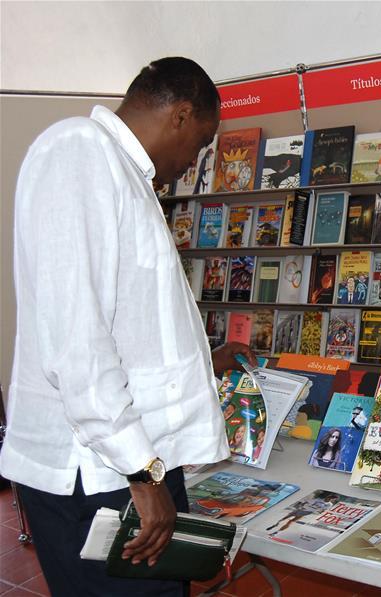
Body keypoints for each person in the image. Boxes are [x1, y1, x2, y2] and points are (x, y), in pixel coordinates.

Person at [0, 57, 257, 596]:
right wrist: (143, 473)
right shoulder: (78, 150)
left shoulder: (124, 175)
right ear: (182, 116)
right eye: (203, 142)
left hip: (133, 462)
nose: (195, 161)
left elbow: (128, 327)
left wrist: (202, 362)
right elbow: (76, 338)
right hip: (101, 475)